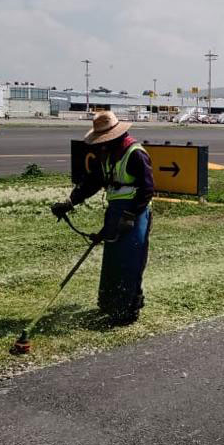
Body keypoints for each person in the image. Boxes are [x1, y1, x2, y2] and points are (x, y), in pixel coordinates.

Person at [51, 111, 154, 325]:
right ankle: (110, 305)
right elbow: (92, 182)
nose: (101, 145)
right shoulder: (107, 154)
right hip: (115, 211)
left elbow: (147, 189)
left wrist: (130, 215)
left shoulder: (135, 153)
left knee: (130, 261)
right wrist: (70, 202)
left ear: (117, 135)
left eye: (105, 140)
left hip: (135, 213)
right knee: (113, 261)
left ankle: (129, 310)